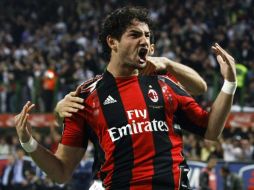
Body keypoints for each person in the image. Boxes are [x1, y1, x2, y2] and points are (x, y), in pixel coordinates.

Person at [14, 6, 237, 190]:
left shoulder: (163, 83)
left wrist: (229, 84)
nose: (144, 41)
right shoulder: (85, 96)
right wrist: (28, 142)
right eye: (135, 34)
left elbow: (211, 130)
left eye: (147, 36)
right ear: (113, 42)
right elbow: (61, 172)